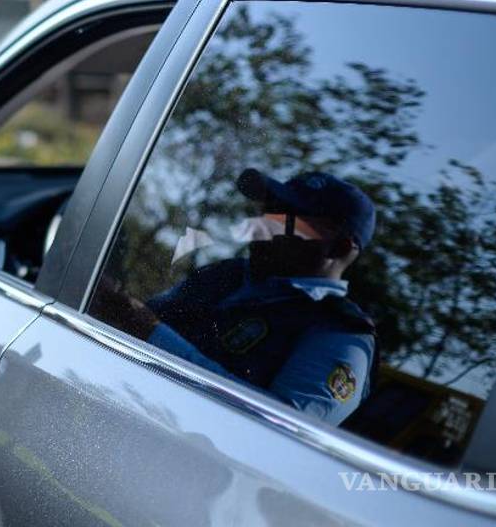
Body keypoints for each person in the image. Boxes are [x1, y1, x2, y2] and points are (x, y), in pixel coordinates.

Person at [95, 167, 377, 426]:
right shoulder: (225, 274)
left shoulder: (340, 334)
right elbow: (143, 318)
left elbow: (279, 431)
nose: (261, 227)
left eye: (284, 221)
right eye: (266, 213)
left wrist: (151, 334)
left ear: (338, 248)